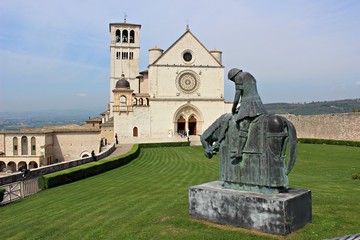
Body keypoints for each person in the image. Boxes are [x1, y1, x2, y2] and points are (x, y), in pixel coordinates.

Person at [227, 68, 268, 160]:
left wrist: (233, 108)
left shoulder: (239, 77)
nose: (234, 82)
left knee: (243, 125)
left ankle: (238, 151)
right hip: (258, 103)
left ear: (234, 76)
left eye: (232, 80)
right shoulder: (250, 76)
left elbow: (238, 94)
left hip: (248, 104)